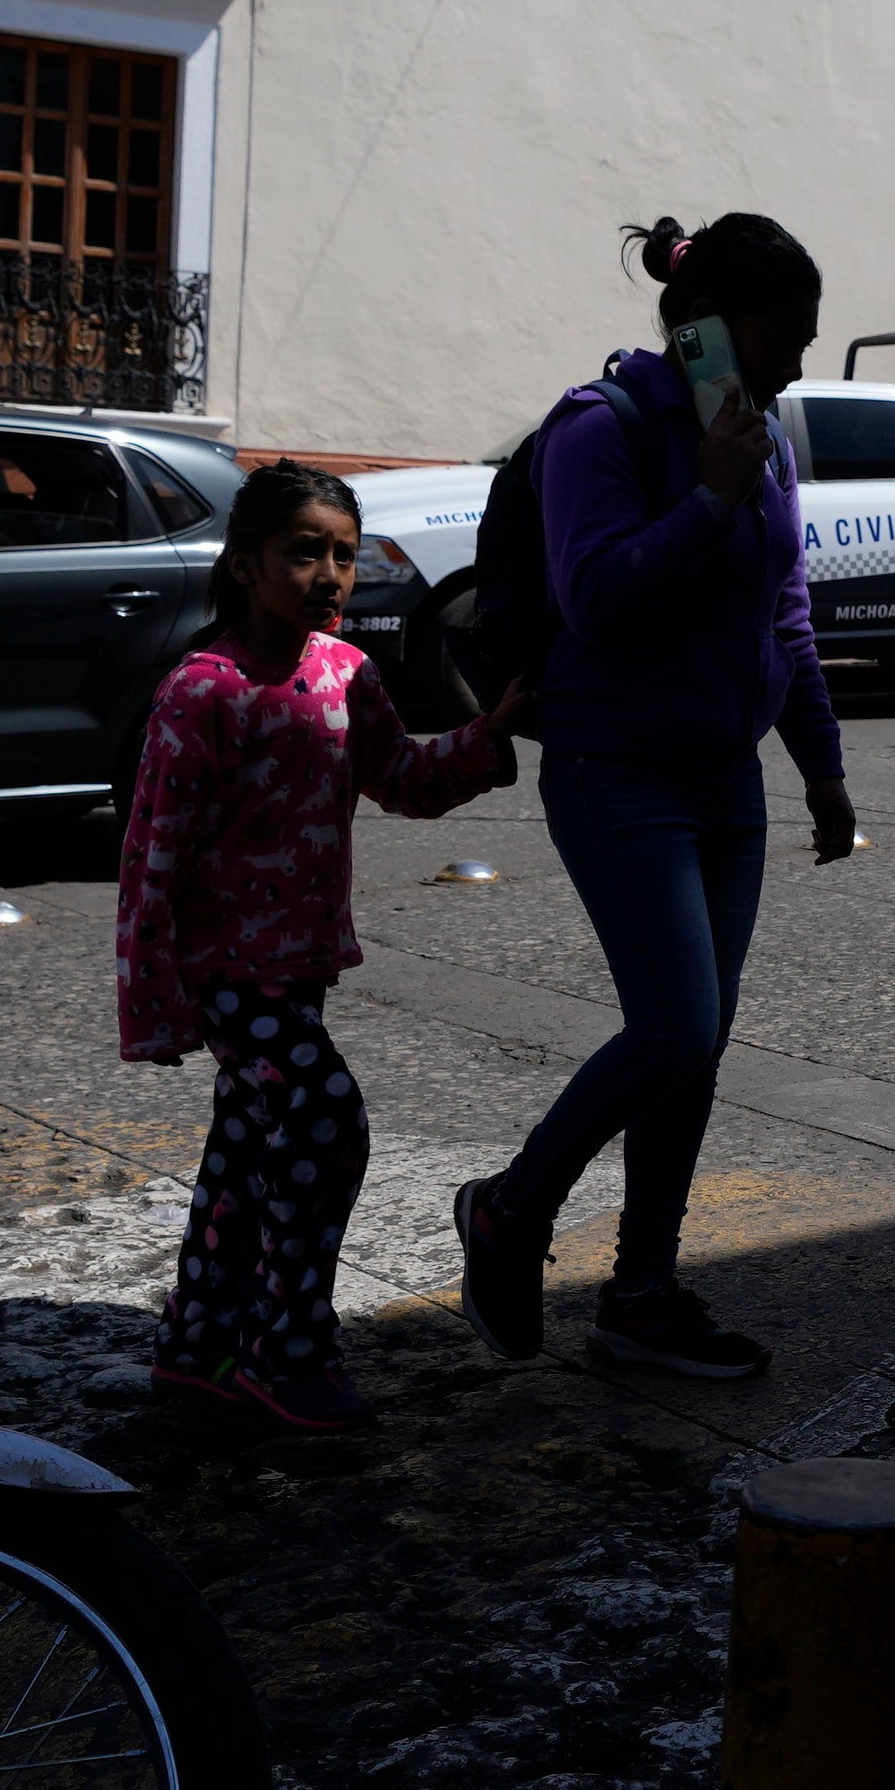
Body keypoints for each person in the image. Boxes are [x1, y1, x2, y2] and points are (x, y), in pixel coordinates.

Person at [450, 214, 859, 1380]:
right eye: (779, 339)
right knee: (674, 1024)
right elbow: (598, 597)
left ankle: (640, 1291)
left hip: (730, 783)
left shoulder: (765, 438)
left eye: (803, 343)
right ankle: (511, 1209)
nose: (791, 367)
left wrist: (820, 767)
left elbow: (786, 613)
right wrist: (708, 499)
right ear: (707, 327)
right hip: (616, 771)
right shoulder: (602, 426)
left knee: (698, 1046)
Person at [118, 461, 529, 1432]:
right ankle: (284, 1353)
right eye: (305, 551)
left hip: (299, 977)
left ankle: (198, 1348)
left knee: (242, 1155)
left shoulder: (347, 674)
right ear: (244, 561)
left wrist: (491, 732)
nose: (329, 574)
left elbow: (403, 778)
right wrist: (154, 1004)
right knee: (321, 1129)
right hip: (228, 976)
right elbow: (151, 857)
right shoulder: (201, 692)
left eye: (343, 554)